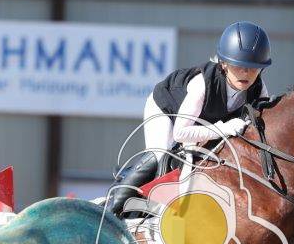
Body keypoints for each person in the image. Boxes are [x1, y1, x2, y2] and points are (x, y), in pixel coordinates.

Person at [105, 21, 272, 216]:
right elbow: (181, 133)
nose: (246, 73)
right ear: (224, 63)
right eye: (239, 65)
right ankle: (113, 205)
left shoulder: (259, 90)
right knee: (161, 155)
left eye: (253, 67)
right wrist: (223, 129)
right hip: (167, 110)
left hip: (203, 122)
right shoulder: (202, 84)